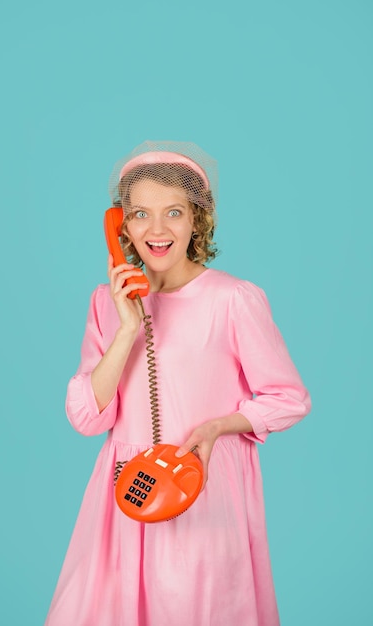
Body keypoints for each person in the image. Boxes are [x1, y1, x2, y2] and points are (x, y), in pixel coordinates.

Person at [45, 141, 311, 626]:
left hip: (199, 490)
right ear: (120, 225)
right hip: (126, 497)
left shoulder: (233, 299)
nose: (157, 229)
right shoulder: (107, 304)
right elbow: (86, 416)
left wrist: (217, 427)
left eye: (173, 212)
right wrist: (128, 327)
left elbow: (289, 399)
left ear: (197, 221)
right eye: (140, 214)